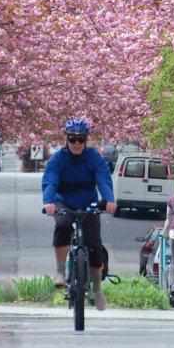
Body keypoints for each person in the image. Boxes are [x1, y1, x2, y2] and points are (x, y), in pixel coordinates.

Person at [41, 117, 116, 310]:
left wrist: (109, 199)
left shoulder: (94, 158)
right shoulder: (58, 159)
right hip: (63, 201)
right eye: (72, 139)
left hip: (88, 202)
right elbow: (51, 180)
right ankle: (59, 271)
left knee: (94, 246)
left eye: (80, 139)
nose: (76, 143)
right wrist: (49, 201)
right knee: (62, 225)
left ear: (86, 140)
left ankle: (97, 289)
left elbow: (103, 179)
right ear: (66, 139)